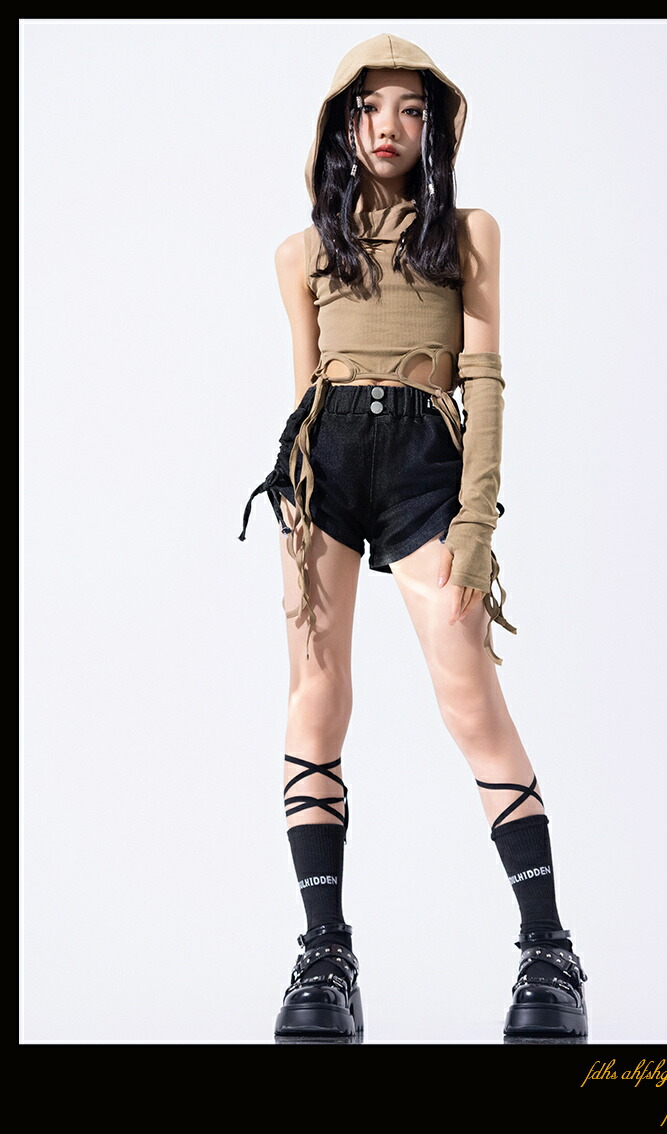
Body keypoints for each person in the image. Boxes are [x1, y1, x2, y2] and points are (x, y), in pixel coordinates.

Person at [239, 32, 588, 1041]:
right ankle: (324, 957)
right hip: (323, 473)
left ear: (435, 126)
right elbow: (304, 391)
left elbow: (484, 381)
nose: (387, 126)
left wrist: (476, 522)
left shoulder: (468, 235)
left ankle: (548, 952)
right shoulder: (300, 254)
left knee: (470, 696)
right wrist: (295, 507)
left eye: (410, 108)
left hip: (426, 473)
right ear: (340, 125)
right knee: (315, 696)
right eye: (368, 108)